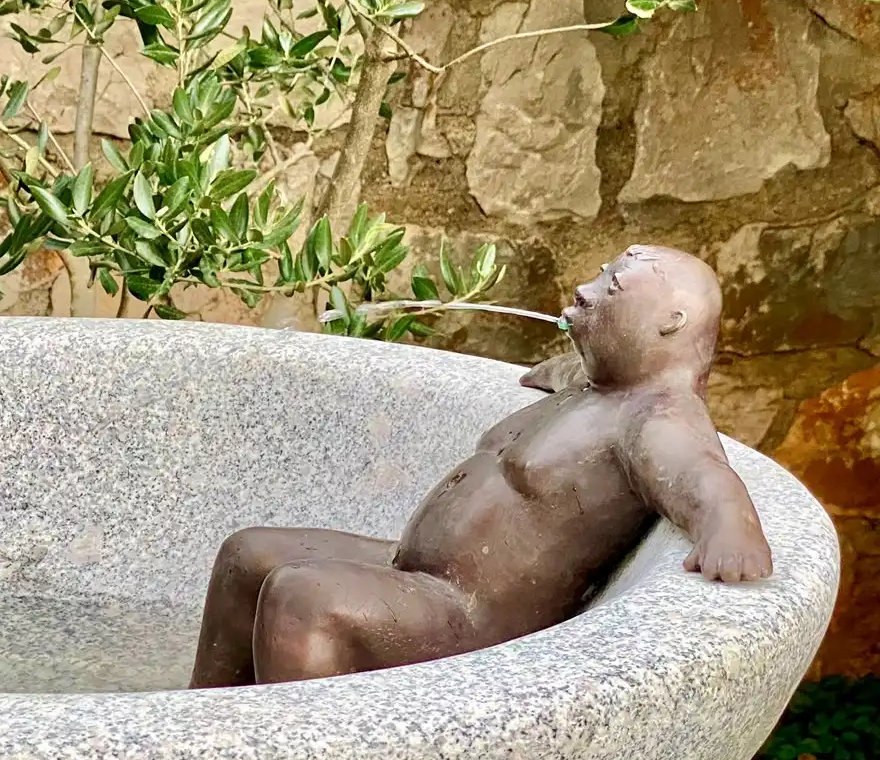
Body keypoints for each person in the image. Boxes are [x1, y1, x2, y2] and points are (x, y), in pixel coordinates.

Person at [190, 244, 773, 686]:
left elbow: (700, 474)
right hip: (415, 574)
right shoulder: (603, 387)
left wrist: (730, 526)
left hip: (466, 614)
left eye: (611, 287)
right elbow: (564, 373)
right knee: (249, 554)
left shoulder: (658, 418)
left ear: (669, 322)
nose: (584, 289)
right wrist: (576, 358)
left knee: (303, 596)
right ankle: (199, 744)